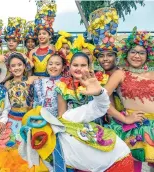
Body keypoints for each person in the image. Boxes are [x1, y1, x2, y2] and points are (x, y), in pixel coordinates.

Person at [19, 71, 134, 171]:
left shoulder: (67, 119)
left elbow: (99, 108)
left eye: (39, 123)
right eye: (32, 132)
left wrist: (99, 93)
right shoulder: (44, 154)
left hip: (117, 160)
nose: (38, 131)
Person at [105, 27, 154, 171]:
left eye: (141, 52)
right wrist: (124, 118)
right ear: (126, 53)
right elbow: (101, 100)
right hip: (135, 127)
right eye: (133, 52)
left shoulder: (153, 73)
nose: (137, 56)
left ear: (148, 55)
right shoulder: (120, 74)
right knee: (132, 167)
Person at [4, 53, 40, 143]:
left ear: (24, 66)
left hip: (28, 119)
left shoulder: (31, 79)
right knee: (12, 145)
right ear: (9, 68)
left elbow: (49, 79)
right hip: (12, 119)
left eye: (19, 65)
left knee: (27, 145)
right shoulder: (7, 84)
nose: (17, 68)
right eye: (13, 66)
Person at [33, 52, 65, 117]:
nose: (53, 66)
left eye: (57, 64)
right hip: (41, 121)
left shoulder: (66, 84)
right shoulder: (39, 83)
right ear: (47, 66)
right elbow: (35, 104)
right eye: (50, 64)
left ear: (63, 67)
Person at [29, 0, 56, 77]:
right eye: (39, 34)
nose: (41, 36)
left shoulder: (53, 48)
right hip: (36, 81)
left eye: (44, 34)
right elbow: (30, 71)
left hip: (50, 81)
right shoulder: (32, 52)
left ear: (50, 36)